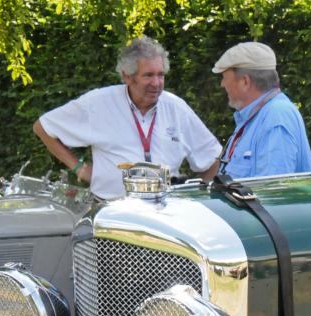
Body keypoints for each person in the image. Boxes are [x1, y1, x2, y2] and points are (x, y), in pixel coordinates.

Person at [34, 37, 221, 199]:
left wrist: (198, 196)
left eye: (160, 75)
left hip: (166, 215)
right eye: (148, 75)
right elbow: (43, 127)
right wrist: (80, 169)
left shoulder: (176, 107)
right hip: (112, 213)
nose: (156, 83)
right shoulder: (97, 103)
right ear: (127, 76)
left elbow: (212, 158)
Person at [212, 42, 311, 179]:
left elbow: (273, 192)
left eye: (225, 78)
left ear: (245, 82)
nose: (222, 84)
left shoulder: (275, 117)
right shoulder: (260, 115)